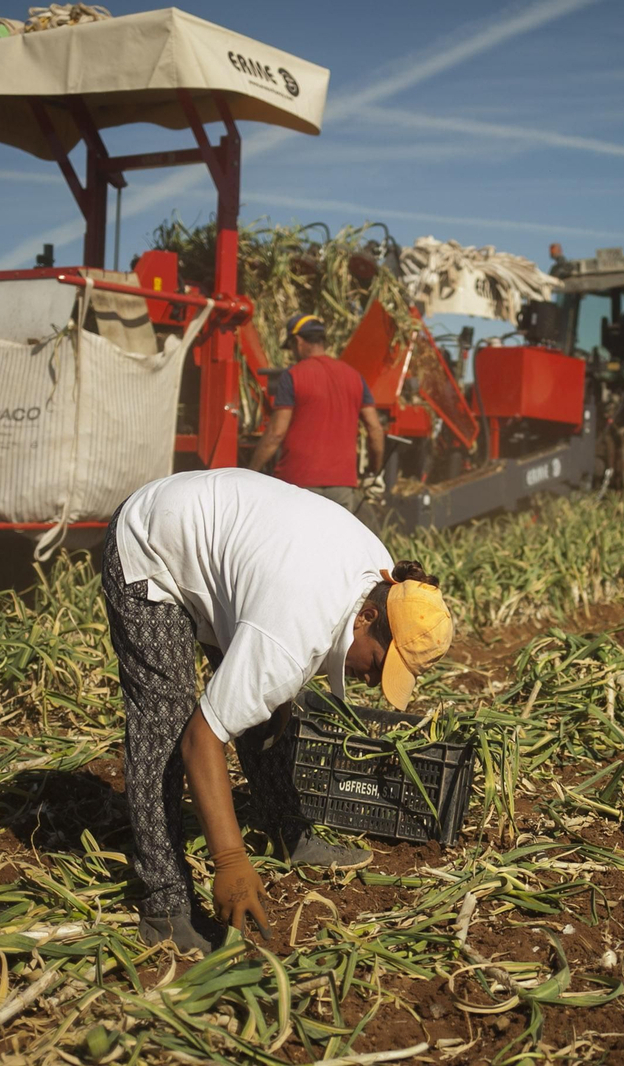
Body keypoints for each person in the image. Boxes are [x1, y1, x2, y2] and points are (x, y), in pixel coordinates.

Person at [102, 468, 453, 953]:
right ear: (368, 617)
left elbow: (277, 607)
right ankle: (165, 906)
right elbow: (200, 741)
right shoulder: (294, 630)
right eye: (379, 664)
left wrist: (272, 697)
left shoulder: (382, 580)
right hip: (152, 545)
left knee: (267, 705)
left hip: (224, 546)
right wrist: (229, 860)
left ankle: (288, 832)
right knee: (165, 726)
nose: (374, 680)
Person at [246, 314, 385, 526]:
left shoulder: (293, 376)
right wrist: (375, 470)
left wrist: (251, 472)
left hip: (298, 484)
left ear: (298, 341)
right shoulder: (355, 377)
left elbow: (276, 433)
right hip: (342, 485)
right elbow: (375, 429)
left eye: (291, 347)